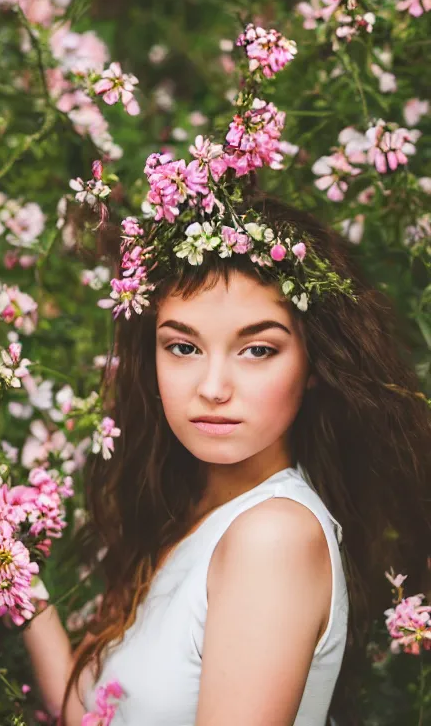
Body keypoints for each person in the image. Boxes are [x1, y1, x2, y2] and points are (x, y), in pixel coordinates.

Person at [23, 186, 431, 726]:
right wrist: (7, 570)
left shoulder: (273, 537)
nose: (213, 387)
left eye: (257, 349)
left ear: (312, 365)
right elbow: (93, 714)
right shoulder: (194, 513)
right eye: (183, 346)